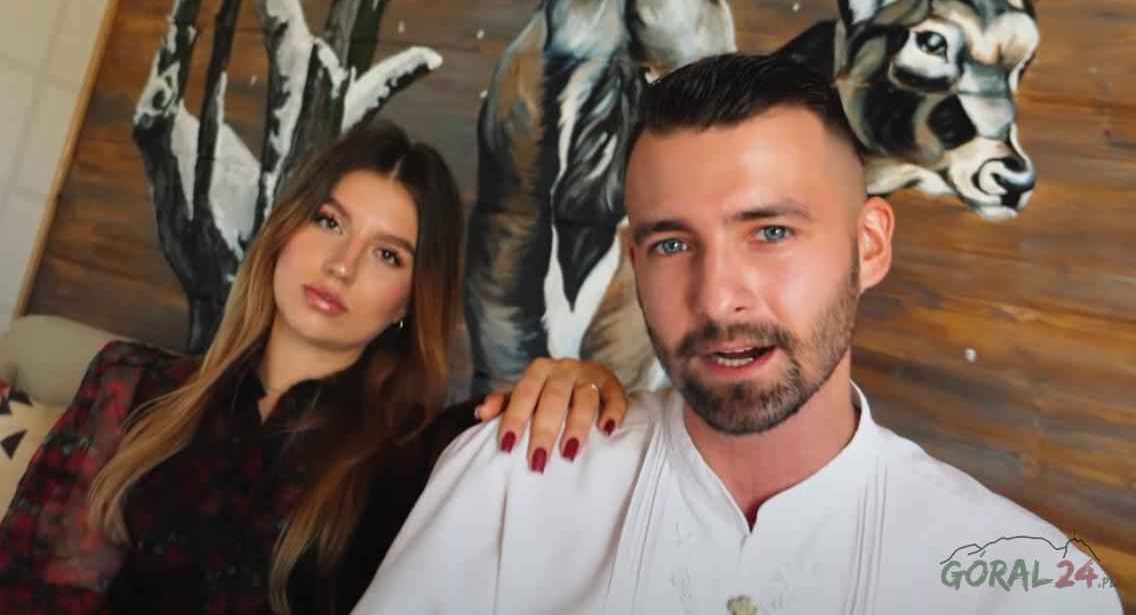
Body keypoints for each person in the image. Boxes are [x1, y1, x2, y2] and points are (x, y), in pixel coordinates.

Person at [352, 55, 1122, 614]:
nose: (717, 297)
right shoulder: (510, 485)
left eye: (771, 231)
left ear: (869, 245)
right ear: (635, 263)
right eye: (671, 243)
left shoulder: (1034, 589)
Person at [0, 120, 630, 614]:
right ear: (285, 231)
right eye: (330, 222)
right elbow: (29, 593)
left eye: (388, 254)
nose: (341, 265)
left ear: (409, 300)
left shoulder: (422, 457)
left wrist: (581, 382)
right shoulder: (132, 384)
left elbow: (586, 466)